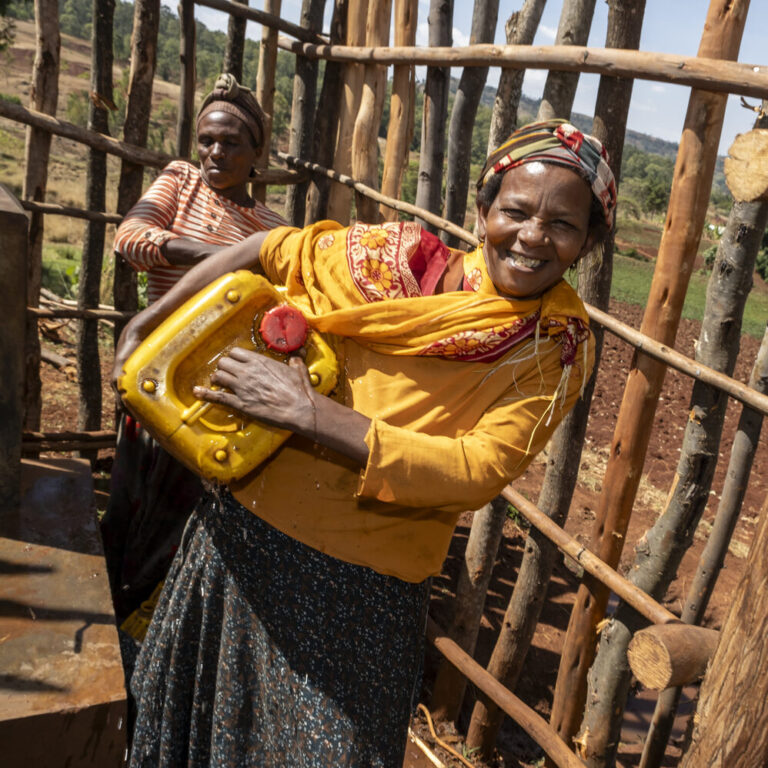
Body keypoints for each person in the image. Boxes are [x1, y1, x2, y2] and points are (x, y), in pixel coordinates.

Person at [113, 119, 616, 768]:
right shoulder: (394, 260)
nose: (532, 237)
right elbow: (269, 246)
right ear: (484, 207)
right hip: (237, 545)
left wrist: (307, 412)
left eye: (563, 226)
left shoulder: (551, 344)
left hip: (361, 597)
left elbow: (477, 469)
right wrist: (147, 323)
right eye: (515, 210)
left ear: (588, 243)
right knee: (196, 741)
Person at [102, 73, 286, 627]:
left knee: (188, 516)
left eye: (230, 143)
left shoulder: (272, 226)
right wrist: (221, 258)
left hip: (220, 388)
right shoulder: (180, 181)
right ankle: (114, 609)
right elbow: (131, 238)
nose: (213, 152)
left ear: (257, 153)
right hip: (156, 372)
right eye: (206, 139)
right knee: (130, 500)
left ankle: (152, 631)